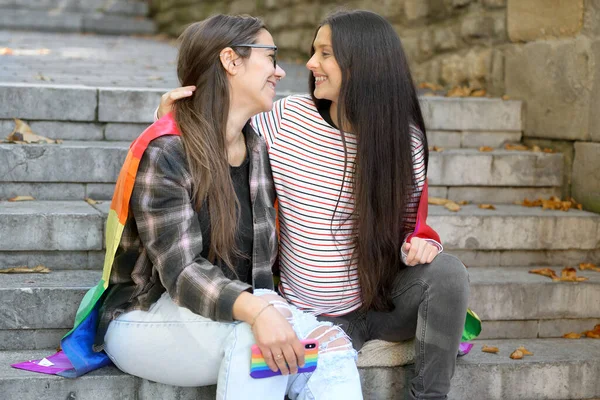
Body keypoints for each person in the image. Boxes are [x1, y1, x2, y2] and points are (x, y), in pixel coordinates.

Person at [157, 10, 471, 400]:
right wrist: (171, 120)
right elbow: (220, 134)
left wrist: (419, 244)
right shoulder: (287, 118)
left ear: (363, 64)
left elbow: (409, 226)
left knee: (448, 274)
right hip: (300, 310)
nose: (309, 63)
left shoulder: (405, 143)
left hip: (375, 308)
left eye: (324, 54)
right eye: (313, 51)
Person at [94, 14, 362, 400]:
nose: (281, 71)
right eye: (270, 57)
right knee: (261, 343)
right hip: (148, 317)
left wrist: (263, 309)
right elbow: (181, 271)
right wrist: (258, 312)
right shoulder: (168, 152)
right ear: (231, 61)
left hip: (236, 310)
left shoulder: (256, 147)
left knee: (332, 348)